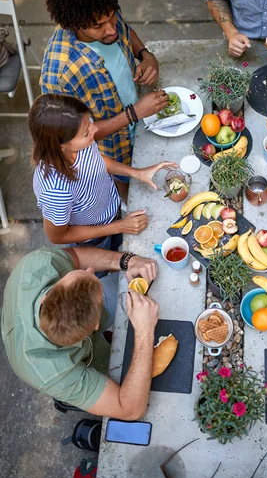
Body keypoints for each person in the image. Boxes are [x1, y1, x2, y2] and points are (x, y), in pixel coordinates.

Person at [40, 0, 169, 198]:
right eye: (99, 26)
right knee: (130, 192)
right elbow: (71, 139)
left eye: (112, 16)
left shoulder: (101, 9)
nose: (110, 29)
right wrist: (134, 113)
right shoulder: (59, 74)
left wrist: (145, 54)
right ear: (73, 23)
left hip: (143, 121)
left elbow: (125, 31)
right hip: (113, 149)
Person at [1, 245, 160, 417]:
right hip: (68, 365)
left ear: (46, 298)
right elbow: (130, 409)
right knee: (138, 383)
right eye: (89, 274)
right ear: (95, 326)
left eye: (78, 273)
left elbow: (75, 256)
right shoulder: (51, 374)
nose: (91, 270)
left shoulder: (39, 262)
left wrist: (127, 261)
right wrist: (144, 332)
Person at [29, 94, 177, 247]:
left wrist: (137, 172)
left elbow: (96, 161)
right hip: (94, 240)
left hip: (113, 213)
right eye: (86, 133)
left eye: (90, 122)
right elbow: (58, 236)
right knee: (104, 268)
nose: (95, 129)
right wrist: (118, 227)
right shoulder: (55, 190)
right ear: (61, 145)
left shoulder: (80, 130)